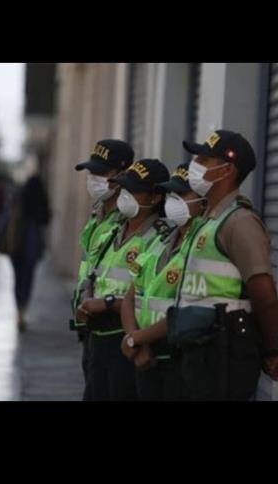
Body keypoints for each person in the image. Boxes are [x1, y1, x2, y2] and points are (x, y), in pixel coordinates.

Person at [170, 130, 278, 401]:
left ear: (227, 170)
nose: (194, 165)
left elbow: (264, 295)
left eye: (204, 159)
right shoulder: (208, 220)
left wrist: (271, 350)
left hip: (223, 350)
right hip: (198, 348)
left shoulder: (239, 222)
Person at [76, 158, 170, 401]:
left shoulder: (159, 238)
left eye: (133, 191)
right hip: (97, 338)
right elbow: (93, 274)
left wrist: (108, 303)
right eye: (124, 189)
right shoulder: (112, 231)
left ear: (155, 198)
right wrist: (87, 300)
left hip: (127, 338)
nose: (124, 196)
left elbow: (148, 296)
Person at [119, 163, 206, 400]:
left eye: (181, 194)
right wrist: (135, 339)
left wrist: (136, 338)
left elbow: (188, 310)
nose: (173, 200)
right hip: (145, 357)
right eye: (171, 194)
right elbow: (131, 295)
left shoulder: (202, 245)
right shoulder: (161, 239)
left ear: (203, 201)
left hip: (177, 359)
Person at [71, 139, 134, 400]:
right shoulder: (99, 212)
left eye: (101, 173)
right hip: (93, 327)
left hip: (119, 327)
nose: (93, 179)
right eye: (91, 172)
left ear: (121, 176)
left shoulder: (131, 217)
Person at [10, 174, 51, 332]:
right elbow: (46, 219)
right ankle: (23, 310)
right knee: (28, 278)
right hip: (32, 244)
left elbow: (8, 215)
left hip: (17, 243)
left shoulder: (20, 196)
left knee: (18, 278)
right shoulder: (41, 199)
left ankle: (19, 311)